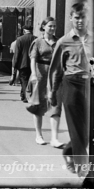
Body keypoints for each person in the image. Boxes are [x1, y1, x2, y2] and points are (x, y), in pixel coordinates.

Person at [49, 2, 93, 177]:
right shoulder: (63, 41)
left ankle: (69, 151)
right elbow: (55, 70)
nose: (80, 21)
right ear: (70, 18)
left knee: (89, 130)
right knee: (75, 127)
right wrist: (52, 93)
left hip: (90, 85)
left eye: (83, 17)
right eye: (77, 17)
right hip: (71, 85)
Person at [28, 17, 64, 147]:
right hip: (40, 75)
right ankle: (39, 135)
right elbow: (33, 58)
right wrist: (33, 74)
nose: (53, 28)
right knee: (39, 106)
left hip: (55, 76)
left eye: (54, 26)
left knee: (56, 105)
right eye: (50, 26)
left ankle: (54, 138)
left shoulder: (59, 42)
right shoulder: (37, 42)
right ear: (43, 27)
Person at [14, 26, 37, 102]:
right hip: (34, 64)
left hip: (23, 64)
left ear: (24, 31)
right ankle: (24, 95)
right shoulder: (36, 39)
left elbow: (17, 54)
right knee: (30, 81)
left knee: (24, 80)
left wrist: (15, 65)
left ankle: (26, 97)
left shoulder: (20, 39)